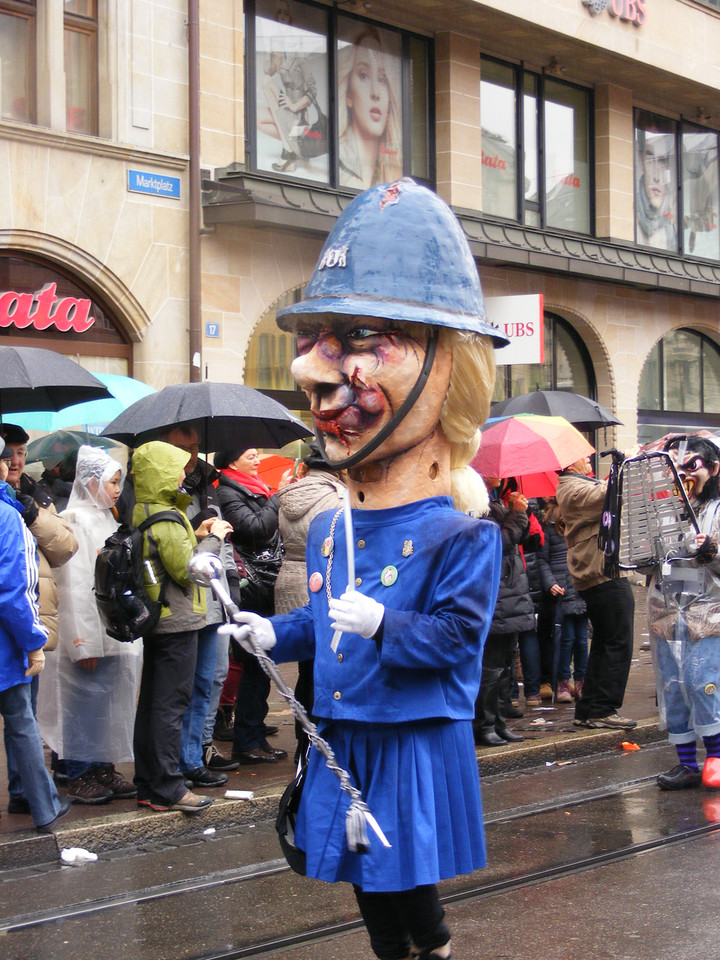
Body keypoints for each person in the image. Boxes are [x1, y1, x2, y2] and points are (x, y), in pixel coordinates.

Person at [223, 179, 506, 960]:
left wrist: (385, 623)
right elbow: (322, 625)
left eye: (362, 337)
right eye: (319, 338)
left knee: (400, 874)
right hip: (348, 729)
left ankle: (435, 951)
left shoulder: (462, 537)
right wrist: (268, 630)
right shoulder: (331, 530)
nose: (314, 370)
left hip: (409, 736)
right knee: (362, 876)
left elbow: (455, 639)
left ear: (451, 368)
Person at [131, 440, 233, 814]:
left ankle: (148, 782)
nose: (184, 473)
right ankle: (168, 786)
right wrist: (214, 538)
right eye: (177, 467)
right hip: (179, 621)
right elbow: (191, 570)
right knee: (170, 706)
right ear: (161, 472)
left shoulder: (145, 508)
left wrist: (194, 529)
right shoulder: (167, 519)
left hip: (160, 620)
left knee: (153, 704)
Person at [37, 446, 140, 804]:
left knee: (104, 704)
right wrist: (83, 644)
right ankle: (78, 772)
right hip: (87, 634)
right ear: (92, 481)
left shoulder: (106, 518)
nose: (116, 488)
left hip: (109, 632)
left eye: (119, 481)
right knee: (80, 705)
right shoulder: (76, 520)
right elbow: (75, 587)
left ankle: (101, 766)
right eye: (111, 481)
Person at [160, 425, 239, 783]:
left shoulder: (208, 481)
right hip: (185, 601)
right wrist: (201, 529)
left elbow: (221, 544)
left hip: (215, 592)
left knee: (210, 678)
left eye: (194, 448)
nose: (190, 457)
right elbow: (177, 549)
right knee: (183, 688)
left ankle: (196, 755)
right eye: (182, 450)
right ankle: (180, 760)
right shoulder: (158, 490)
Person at [1, 423, 78, 794]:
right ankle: (34, 797)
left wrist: (29, 513)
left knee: (24, 714)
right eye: (8, 453)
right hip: (17, 615)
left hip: (33, 615)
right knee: (20, 716)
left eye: (20, 452)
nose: (15, 460)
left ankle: (25, 792)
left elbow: (65, 547)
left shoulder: (35, 494)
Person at [645, 436, 720, 791]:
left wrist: (711, 551)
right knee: (674, 687)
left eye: (692, 466)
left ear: (714, 469)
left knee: (704, 684)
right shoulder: (663, 512)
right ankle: (687, 764)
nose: (683, 475)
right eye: (676, 467)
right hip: (666, 612)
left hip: (709, 616)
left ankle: (716, 759)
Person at [215, 447, 289, 765]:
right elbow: (256, 529)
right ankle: (247, 739)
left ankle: (253, 730)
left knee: (261, 665)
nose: (257, 460)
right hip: (251, 585)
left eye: (257, 455)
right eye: (250, 456)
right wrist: (278, 498)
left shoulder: (252, 488)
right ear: (232, 462)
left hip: (263, 583)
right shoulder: (228, 492)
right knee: (255, 663)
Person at [274, 442, 345, 760]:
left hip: (290, 575)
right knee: (323, 667)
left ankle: (303, 739)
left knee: (306, 668)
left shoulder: (289, 493)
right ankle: (316, 743)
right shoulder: (337, 496)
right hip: (323, 579)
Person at [555, 454, 636, 730]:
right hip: (601, 572)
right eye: (583, 459)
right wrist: (627, 466)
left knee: (604, 641)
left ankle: (589, 707)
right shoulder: (572, 488)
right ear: (568, 464)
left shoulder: (576, 485)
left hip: (599, 570)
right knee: (618, 641)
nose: (589, 462)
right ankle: (603, 708)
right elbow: (609, 492)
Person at [474, 477, 533, 746]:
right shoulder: (475, 504)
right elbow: (496, 541)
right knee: (491, 667)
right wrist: (518, 515)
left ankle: (499, 722)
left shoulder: (496, 498)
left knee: (505, 665)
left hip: (509, 591)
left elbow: (525, 538)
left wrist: (516, 511)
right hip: (495, 592)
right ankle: (484, 725)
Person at [338, 25, 403, 190]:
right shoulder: (332, 162)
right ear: (348, 95)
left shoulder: (399, 176)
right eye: (363, 75)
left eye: (382, 79)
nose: (376, 93)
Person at [539, 497, 588, 703]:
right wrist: (551, 583)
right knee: (567, 639)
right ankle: (563, 681)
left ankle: (580, 681)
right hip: (563, 591)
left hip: (580, 586)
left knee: (582, 640)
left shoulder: (581, 525)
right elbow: (542, 559)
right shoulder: (550, 529)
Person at [635, 127, 677, 250]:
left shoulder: (675, 214)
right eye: (650, 159)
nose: (656, 178)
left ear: (667, 165)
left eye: (662, 161)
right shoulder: (631, 211)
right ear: (641, 159)